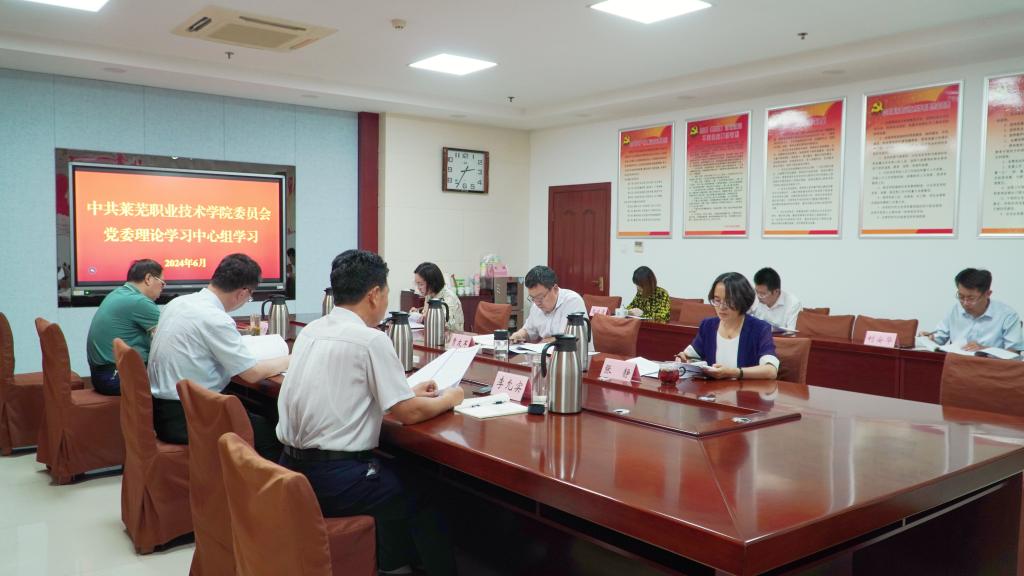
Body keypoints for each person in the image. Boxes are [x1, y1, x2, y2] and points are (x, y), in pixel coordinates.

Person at [277, 249, 462, 576]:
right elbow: (408, 413)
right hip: (334, 479)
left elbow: (344, 387)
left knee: (395, 476)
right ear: (374, 294)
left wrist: (406, 391)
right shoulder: (370, 340)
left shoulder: (312, 330)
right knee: (427, 491)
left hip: (290, 468)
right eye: (387, 292)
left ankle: (393, 564)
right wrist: (451, 398)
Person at [147, 253, 289, 459]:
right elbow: (251, 374)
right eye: (249, 297)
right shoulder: (215, 318)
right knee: (270, 433)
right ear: (242, 293)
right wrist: (292, 359)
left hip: (164, 409)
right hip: (186, 417)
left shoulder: (178, 303)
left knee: (255, 411)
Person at [675, 272, 779, 380]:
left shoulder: (759, 329)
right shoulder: (708, 326)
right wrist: (683, 359)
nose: (721, 307)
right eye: (717, 300)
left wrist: (734, 372)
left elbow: (771, 371)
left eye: (729, 301)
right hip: (713, 390)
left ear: (743, 300)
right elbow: (690, 356)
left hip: (746, 390)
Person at [85, 259, 166, 395]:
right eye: (162, 283)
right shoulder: (139, 301)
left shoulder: (118, 293)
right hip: (115, 377)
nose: (162, 289)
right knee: (176, 381)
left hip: (101, 375)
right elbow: (169, 340)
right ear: (148, 279)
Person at [920, 268, 1023, 352]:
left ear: (988, 294)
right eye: (961, 296)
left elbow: (1014, 353)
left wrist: (985, 350)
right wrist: (930, 338)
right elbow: (939, 338)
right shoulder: (955, 310)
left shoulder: (1007, 315)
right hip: (957, 365)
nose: (965, 303)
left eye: (971, 298)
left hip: (990, 368)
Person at [510, 266, 587, 344]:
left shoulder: (572, 301)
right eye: (533, 298)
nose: (537, 303)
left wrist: (547, 341)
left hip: (572, 351)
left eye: (540, 297)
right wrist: (519, 335)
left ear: (555, 289)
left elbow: (570, 338)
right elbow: (529, 331)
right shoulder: (536, 305)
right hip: (545, 350)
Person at [409, 262, 464, 332]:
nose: (418, 288)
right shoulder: (429, 295)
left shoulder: (449, 297)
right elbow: (426, 315)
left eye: (421, 284)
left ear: (432, 283)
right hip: (434, 334)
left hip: (451, 336)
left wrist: (426, 317)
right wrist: (417, 314)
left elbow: (445, 324)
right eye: (417, 284)